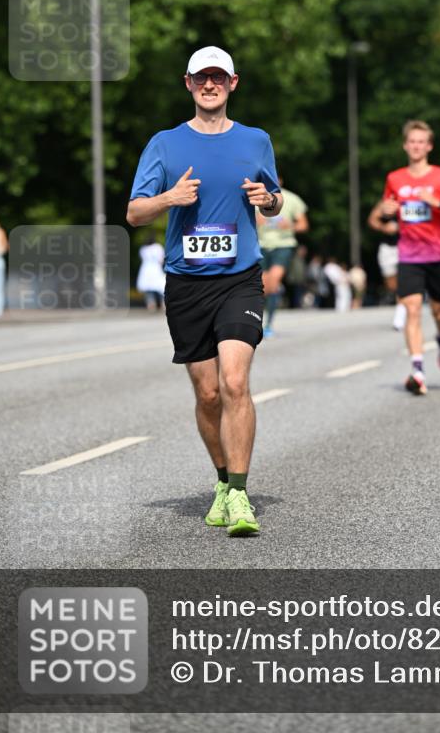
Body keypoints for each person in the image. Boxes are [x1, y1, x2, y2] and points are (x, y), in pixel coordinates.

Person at [127, 45, 282, 536]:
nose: (210, 85)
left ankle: (239, 494)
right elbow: (134, 213)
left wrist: (269, 199)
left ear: (233, 83)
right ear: (188, 84)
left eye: (218, 77)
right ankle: (221, 478)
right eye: (201, 78)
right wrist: (169, 198)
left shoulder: (257, 141)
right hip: (187, 282)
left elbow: (274, 200)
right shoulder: (165, 144)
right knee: (208, 391)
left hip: (240, 278)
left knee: (235, 382)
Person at [379, 120, 440, 395]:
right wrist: (388, 209)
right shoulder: (395, 178)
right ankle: (417, 369)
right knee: (412, 308)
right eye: (411, 141)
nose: (416, 146)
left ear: (429, 146)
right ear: (406, 145)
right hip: (409, 255)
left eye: (421, 142)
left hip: (437, 253)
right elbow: (387, 208)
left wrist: (435, 202)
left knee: (439, 311)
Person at [257, 179, 308, 338]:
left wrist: (290, 226)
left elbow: (304, 225)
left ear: (279, 180)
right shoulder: (255, 197)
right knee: (262, 286)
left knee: (273, 283)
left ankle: (268, 324)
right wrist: (254, 221)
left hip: (283, 245)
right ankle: (257, 321)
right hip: (260, 245)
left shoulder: (292, 199)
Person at [367, 199, 406, 329]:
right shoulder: (385, 203)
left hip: (405, 246)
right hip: (387, 248)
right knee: (391, 284)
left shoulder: (410, 202)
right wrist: (384, 227)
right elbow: (372, 220)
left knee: (404, 279)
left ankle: (400, 311)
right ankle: (399, 300)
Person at [136, 233, 166, 311]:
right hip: (156, 269)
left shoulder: (143, 249)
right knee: (160, 287)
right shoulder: (158, 247)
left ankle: (151, 304)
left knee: (148, 288)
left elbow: (142, 259)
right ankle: (163, 304)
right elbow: (161, 260)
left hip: (145, 269)